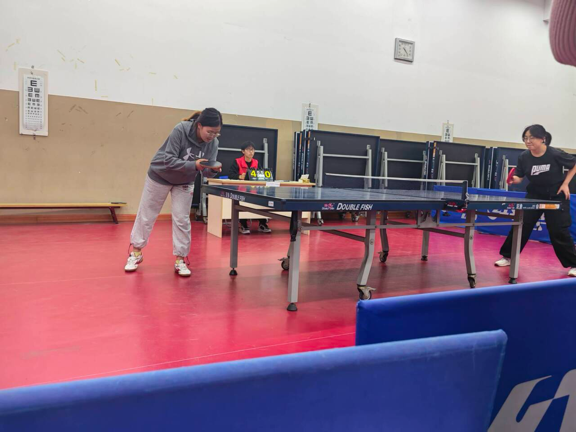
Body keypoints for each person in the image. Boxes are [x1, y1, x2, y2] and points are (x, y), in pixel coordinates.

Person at [124, 108, 223, 276]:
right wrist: (194, 165)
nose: (212, 136)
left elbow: (206, 171)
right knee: (147, 215)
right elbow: (168, 160)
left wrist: (213, 170)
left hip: (184, 181)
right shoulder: (181, 130)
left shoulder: (213, 143)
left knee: (182, 219)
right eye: (210, 132)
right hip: (159, 175)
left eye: (216, 133)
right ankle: (136, 253)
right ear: (199, 125)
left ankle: (180, 259)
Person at [494, 124, 576, 277]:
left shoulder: (555, 153)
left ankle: (574, 264)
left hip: (555, 196)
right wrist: (514, 179)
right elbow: (519, 176)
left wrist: (566, 183)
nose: (528, 141)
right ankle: (508, 256)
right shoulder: (524, 156)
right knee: (521, 225)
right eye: (525, 138)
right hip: (534, 195)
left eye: (531, 137)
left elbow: (574, 164)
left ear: (542, 138)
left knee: (558, 230)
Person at [228, 141, 272, 234]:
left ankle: (262, 224)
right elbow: (230, 175)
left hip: (254, 190)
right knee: (242, 203)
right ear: (243, 151)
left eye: (252, 150)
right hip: (240, 190)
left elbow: (261, 175)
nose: (251, 152)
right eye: (248, 150)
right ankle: (243, 225)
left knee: (262, 202)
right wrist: (240, 176)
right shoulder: (237, 161)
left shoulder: (256, 162)